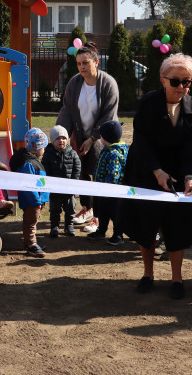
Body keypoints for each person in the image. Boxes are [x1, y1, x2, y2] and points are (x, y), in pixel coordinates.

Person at [119, 53, 192, 300]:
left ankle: (177, 278)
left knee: (177, 225)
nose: (181, 87)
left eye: (186, 81)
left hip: (178, 173)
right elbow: (142, 142)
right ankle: (148, 274)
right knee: (147, 223)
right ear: (163, 80)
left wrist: (189, 176)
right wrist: (157, 171)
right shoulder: (148, 104)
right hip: (146, 170)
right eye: (175, 81)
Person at [57, 43, 119, 227]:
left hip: (103, 137)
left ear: (96, 62)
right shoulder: (74, 83)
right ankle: (87, 208)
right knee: (81, 172)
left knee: (98, 174)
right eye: (78, 64)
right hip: (80, 133)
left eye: (85, 63)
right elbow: (67, 110)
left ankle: (98, 218)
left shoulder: (108, 84)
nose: (81, 67)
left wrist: (93, 139)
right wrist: (62, 134)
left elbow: (108, 116)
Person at [9, 128, 50, 258]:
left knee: (33, 221)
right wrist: (36, 202)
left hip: (37, 199)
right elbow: (29, 185)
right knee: (30, 223)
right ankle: (31, 244)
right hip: (32, 200)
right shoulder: (28, 163)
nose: (44, 150)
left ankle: (32, 242)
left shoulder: (32, 160)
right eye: (43, 147)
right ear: (37, 147)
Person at [90, 120, 128, 245]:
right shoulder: (110, 149)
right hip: (103, 191)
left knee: (115, 214)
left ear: (105, 138)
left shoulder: (113, 153)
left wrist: (109, 189)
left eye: (101, 136)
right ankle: (101, 231)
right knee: (103, 212)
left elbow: (113, 173)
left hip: (112, 192)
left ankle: (118, 235)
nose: (100, 138)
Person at [42, 125, 81, 238]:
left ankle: (69, 226)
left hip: (69, 189)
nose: (61, 141)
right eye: (58, 138)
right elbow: (45, 169)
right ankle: (54, 227)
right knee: (54, 209)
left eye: (64, 138)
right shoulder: (48, 154)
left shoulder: (72, 152)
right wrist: (49, 182)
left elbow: (77, 167)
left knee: (70, 209)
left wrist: (74, 181)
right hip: (55, 189)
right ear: (53, 140)